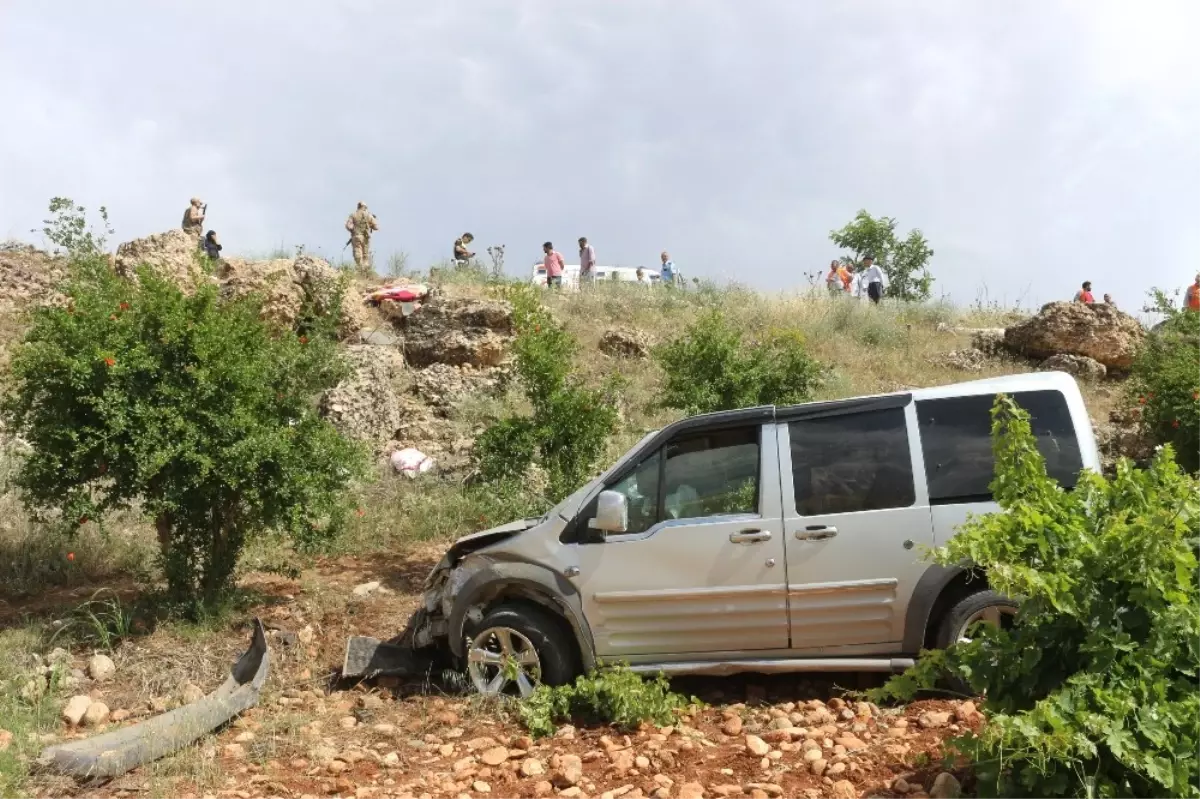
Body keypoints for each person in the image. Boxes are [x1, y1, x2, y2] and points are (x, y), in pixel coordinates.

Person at [344, 202, 379, 270]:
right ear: (364, 207)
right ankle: (365, 269)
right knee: (365, 255)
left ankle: (359, 268)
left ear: (358, 206)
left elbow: (348, 226)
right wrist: (370, 225)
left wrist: (352, 230)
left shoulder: (353, 215)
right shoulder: (369, 215)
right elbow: (376, 227)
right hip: (366, 238)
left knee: (357, 253)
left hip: (356, 236)